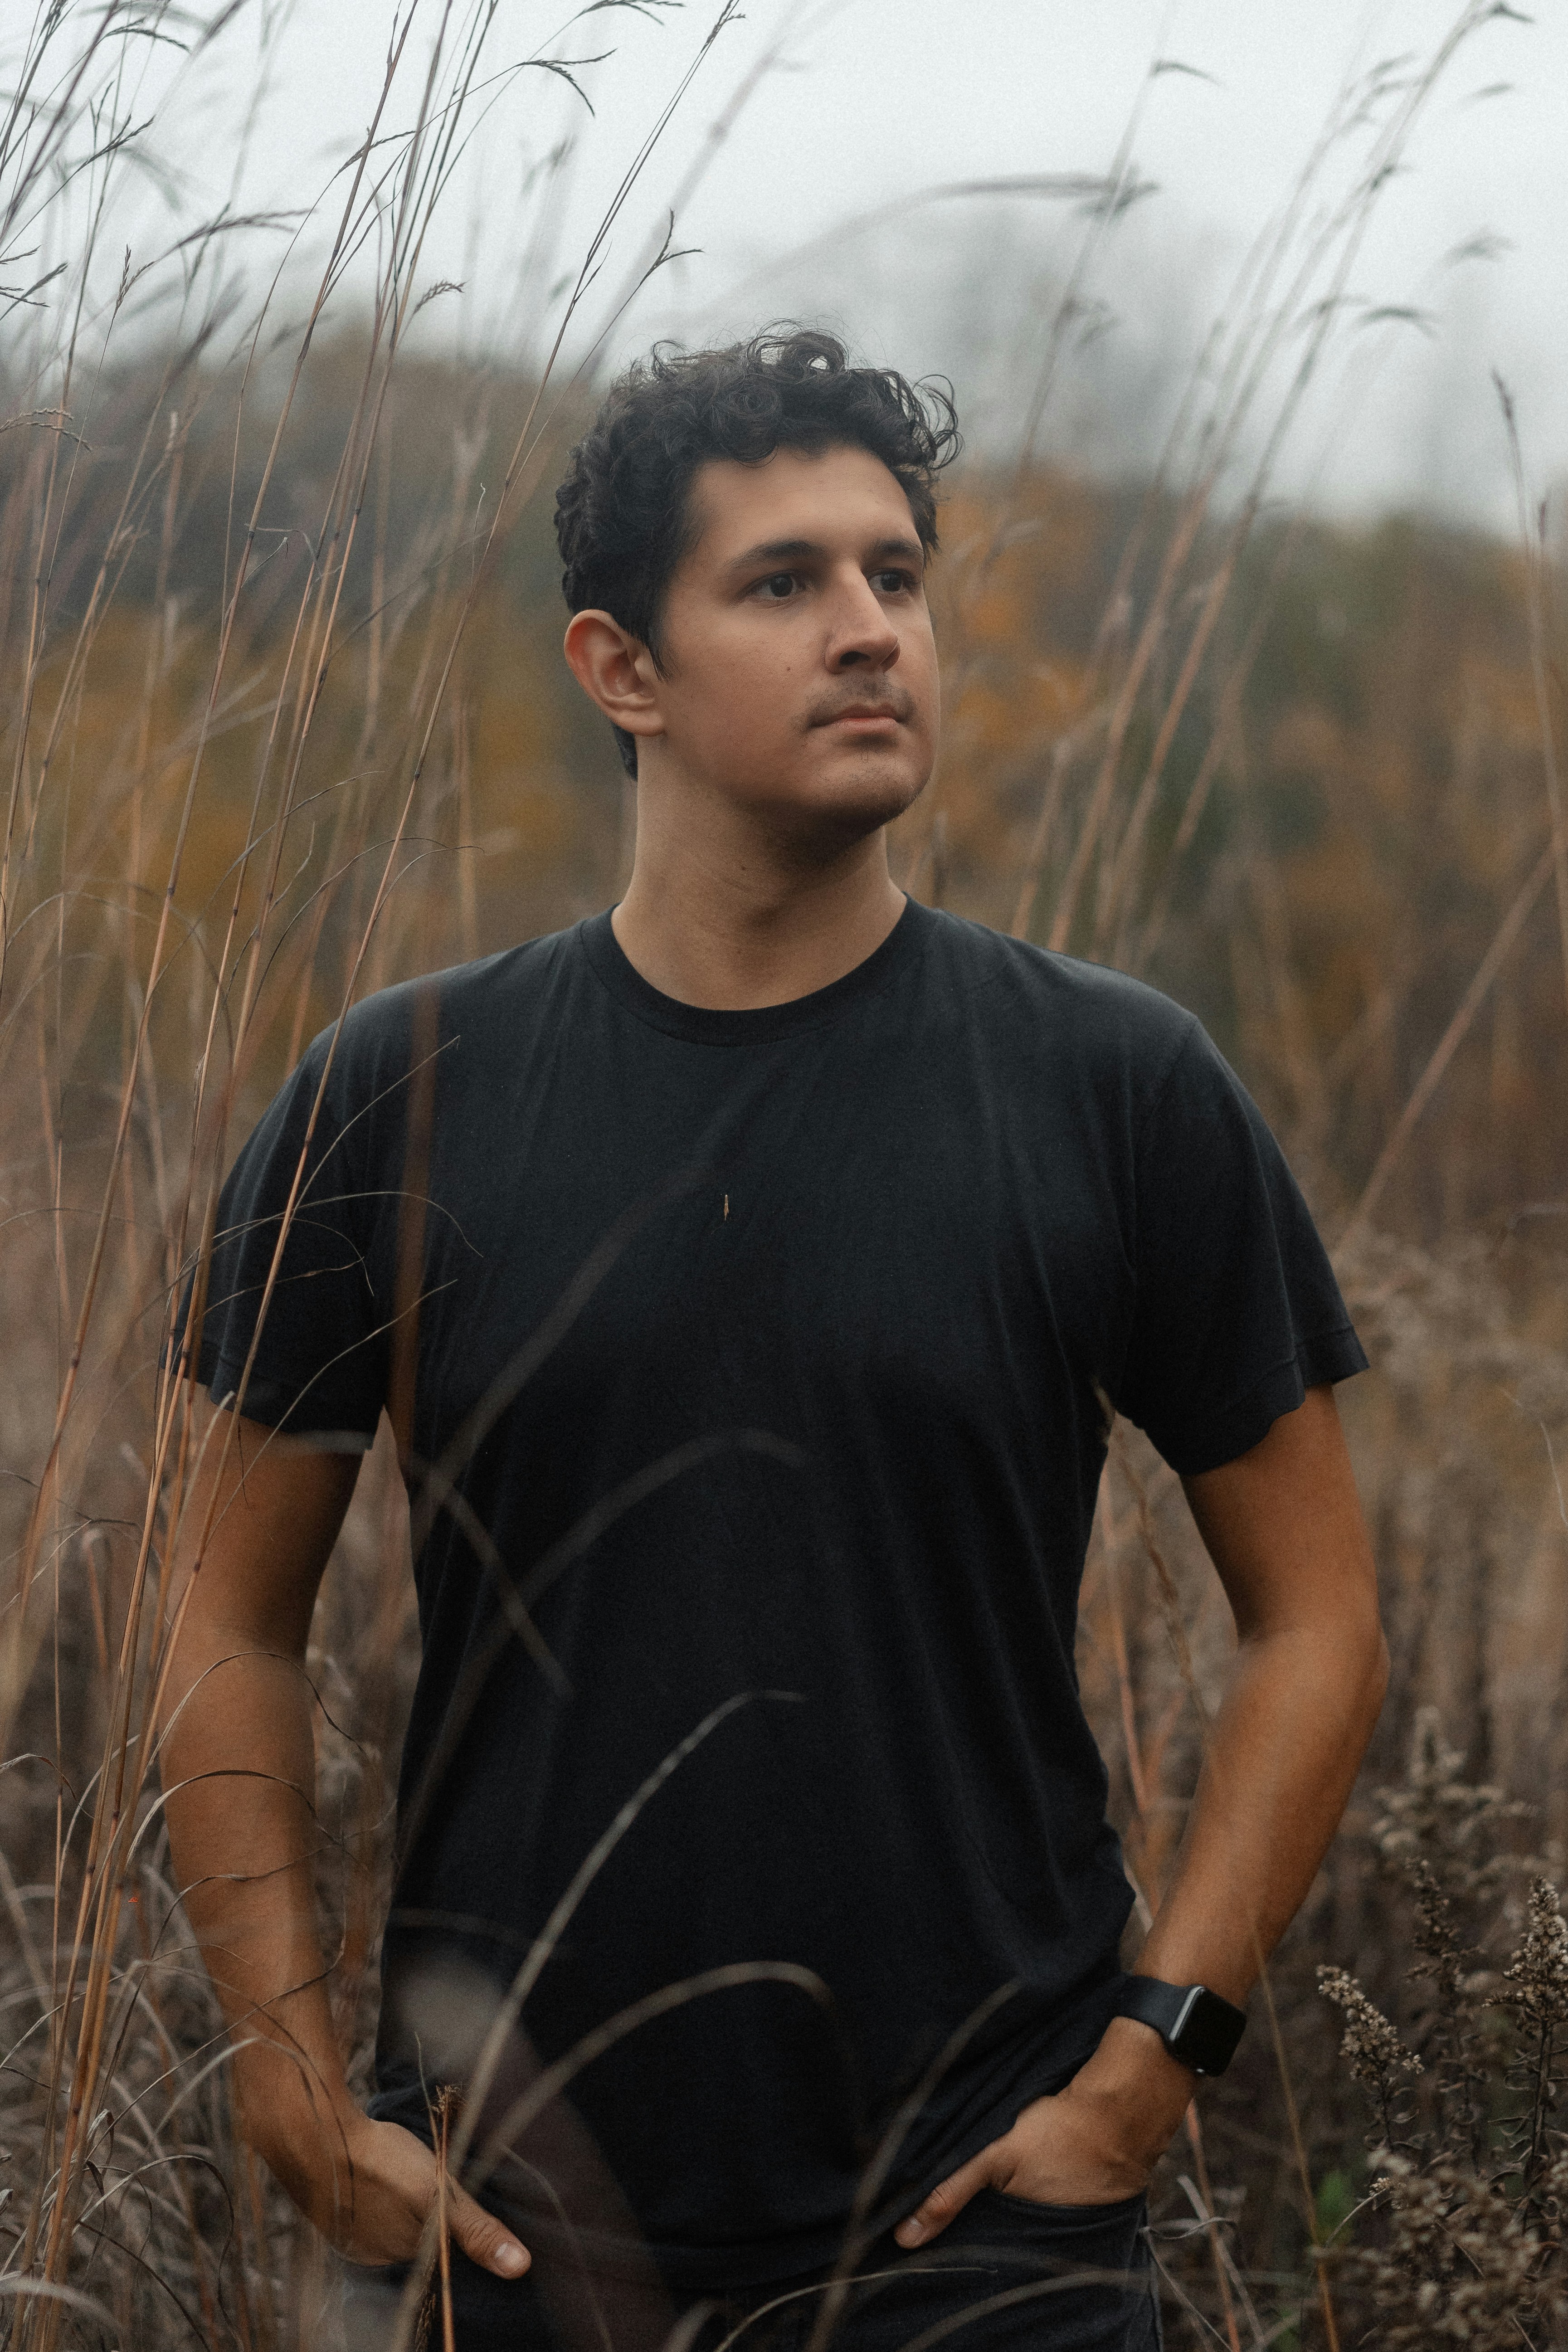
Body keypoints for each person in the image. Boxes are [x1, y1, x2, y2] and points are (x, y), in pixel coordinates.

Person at [161, 327, 1388, 2351]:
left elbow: (1317, 1610)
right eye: (782, 581)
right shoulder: (403, 1094)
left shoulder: (1114, 1086)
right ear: (618, 668)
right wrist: (290, 2080)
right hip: (506, 2233)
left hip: (984, 2244)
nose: (869, 628)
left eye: (896, 574)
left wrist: (1152, 2056)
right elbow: (223, 1613)